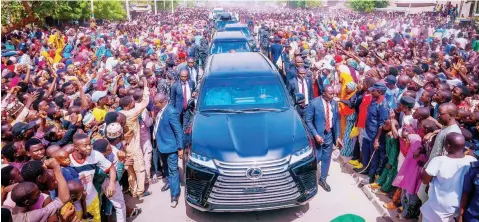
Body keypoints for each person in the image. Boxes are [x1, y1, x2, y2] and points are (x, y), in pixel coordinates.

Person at [421, 133, 477, 222]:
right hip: (460, 206)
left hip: (438, 207)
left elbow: (425, 181)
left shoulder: (438, 161)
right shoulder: (472, 161)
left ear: (448, 146)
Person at [118, 77, 151, 198]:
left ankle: (133, 190)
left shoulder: (120, 114)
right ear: (128, 105)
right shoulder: (131, 114)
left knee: (130, 172)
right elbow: (145, 102)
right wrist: (146, 86)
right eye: (132, 102)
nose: (134, 103)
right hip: (134, 147)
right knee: (140, 169)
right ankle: (140, 191)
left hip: (124, 147)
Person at [305, 85, 342, 192]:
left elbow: (336, 121)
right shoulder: (314, 103)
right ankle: (309, 180)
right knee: (316, 158)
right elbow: (308, 120)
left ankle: (323, 179)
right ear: (323, 93)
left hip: (329, 134)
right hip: (317, 136)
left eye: (334, 93)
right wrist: (315, 135)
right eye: (331, 93)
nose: (333, 95)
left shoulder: (334, 103)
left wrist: (338, 136)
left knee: (326, 158)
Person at [354, 82, 389, 184]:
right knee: (365, 153)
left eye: (373, 90)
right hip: (367, 131)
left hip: (375, 135)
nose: (371, 91)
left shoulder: (383, 106)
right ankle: (365, 169)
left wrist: (377, 139)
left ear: (380, 92)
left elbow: (382, 125)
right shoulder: (373, 100)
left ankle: (371, 176)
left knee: (374, 158)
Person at [153, 92, 183, 207]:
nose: (154, 105)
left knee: (173, 170)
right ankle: (170, 183)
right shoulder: (161, 110)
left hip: (170, 147)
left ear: (163, 102)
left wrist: (180, 148)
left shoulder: (171, 112)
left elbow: (178, 131)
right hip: (161, 145)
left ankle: (175, 195)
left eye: (156, 103)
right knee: (166, 168)